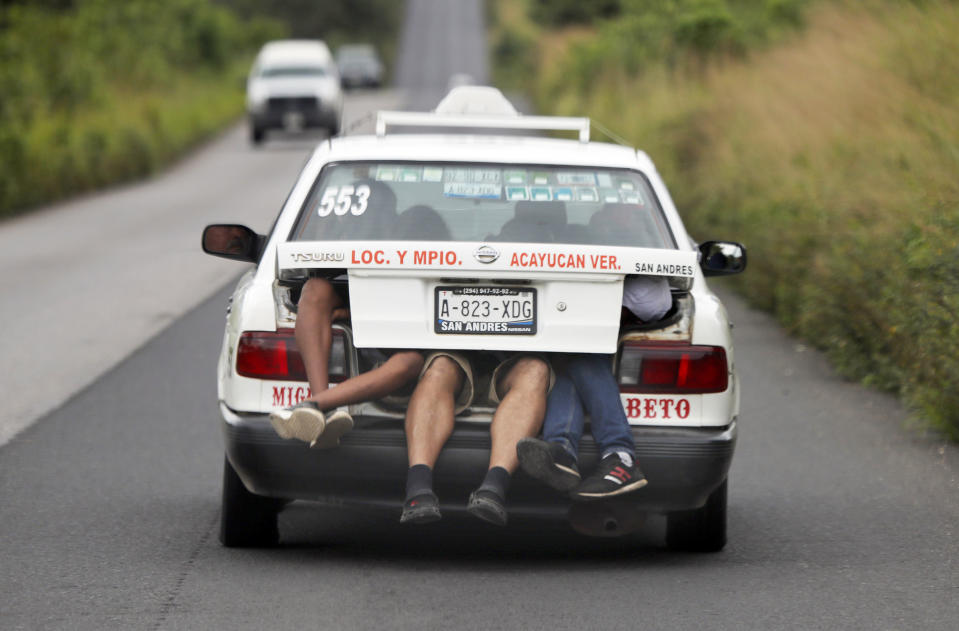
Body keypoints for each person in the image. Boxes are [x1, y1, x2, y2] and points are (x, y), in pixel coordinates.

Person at [516, 275, 672, 500]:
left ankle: (621, 456)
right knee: (566, 358)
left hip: (628, 290)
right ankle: (562, 452)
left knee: (582, 355)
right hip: (584, 289)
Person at [269, 276, 424, 447]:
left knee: (410, 361)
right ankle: (323, 415)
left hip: (413, 340)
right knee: (315, 288)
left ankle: (311, 406)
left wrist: (352, 314)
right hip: (366, 300)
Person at [400, 351, 552, 526]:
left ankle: (493, 489)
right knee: (440, 368)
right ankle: (418, 489)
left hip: (515, 365)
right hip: (455, 360)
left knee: (535, 369)